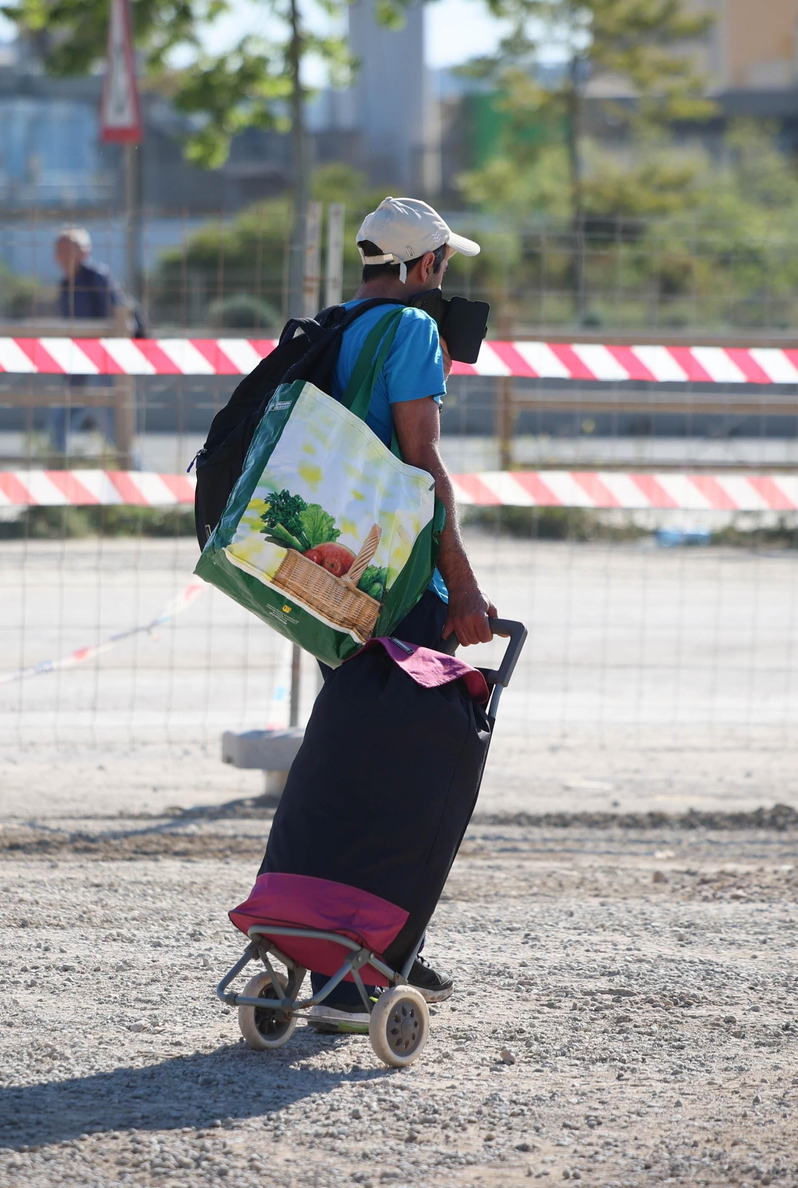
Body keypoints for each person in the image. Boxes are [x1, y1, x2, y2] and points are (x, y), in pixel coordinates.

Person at [306, 196, 499, 1033]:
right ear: (425, 268)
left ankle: (363, 943)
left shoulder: (333, 323)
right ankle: (354, 970)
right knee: (401, 768)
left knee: (354, 752)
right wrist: (461, 585)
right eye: (443, 264)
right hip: (394, 576)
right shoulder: (414, 332)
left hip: (321, 575)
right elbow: (423, 467)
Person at [50, 226, 145, 454]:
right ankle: (57, 471)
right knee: (58, 426)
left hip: (102, 367)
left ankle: (134, 474)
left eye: (69, 249)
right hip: (79, 367)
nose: (63, 256)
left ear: (85, 252)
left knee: (113, 430)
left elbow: (118, 319)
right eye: (60, 250)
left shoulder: (97, 278)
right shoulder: (66, 284)